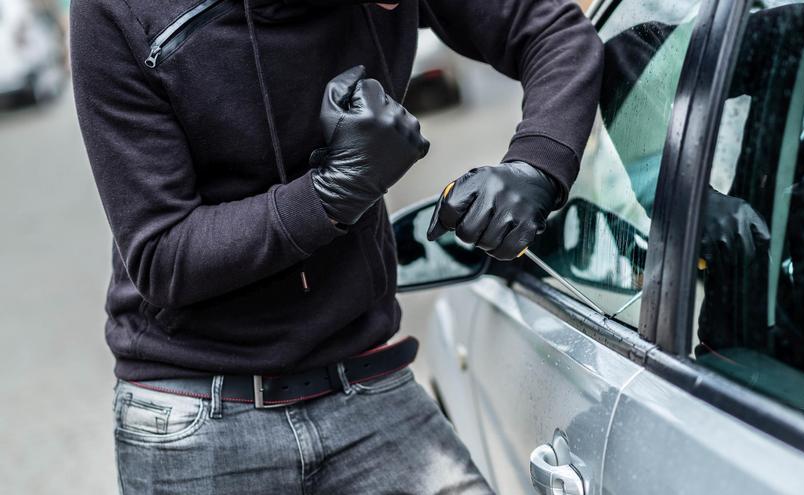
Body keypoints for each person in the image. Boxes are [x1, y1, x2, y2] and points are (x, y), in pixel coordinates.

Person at [70, 0, 602, 493]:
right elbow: (164, 256)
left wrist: (537, 164)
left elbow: (552, 29)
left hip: (366, 383)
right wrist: (331, 193)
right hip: (195, 415)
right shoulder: (122, 10)